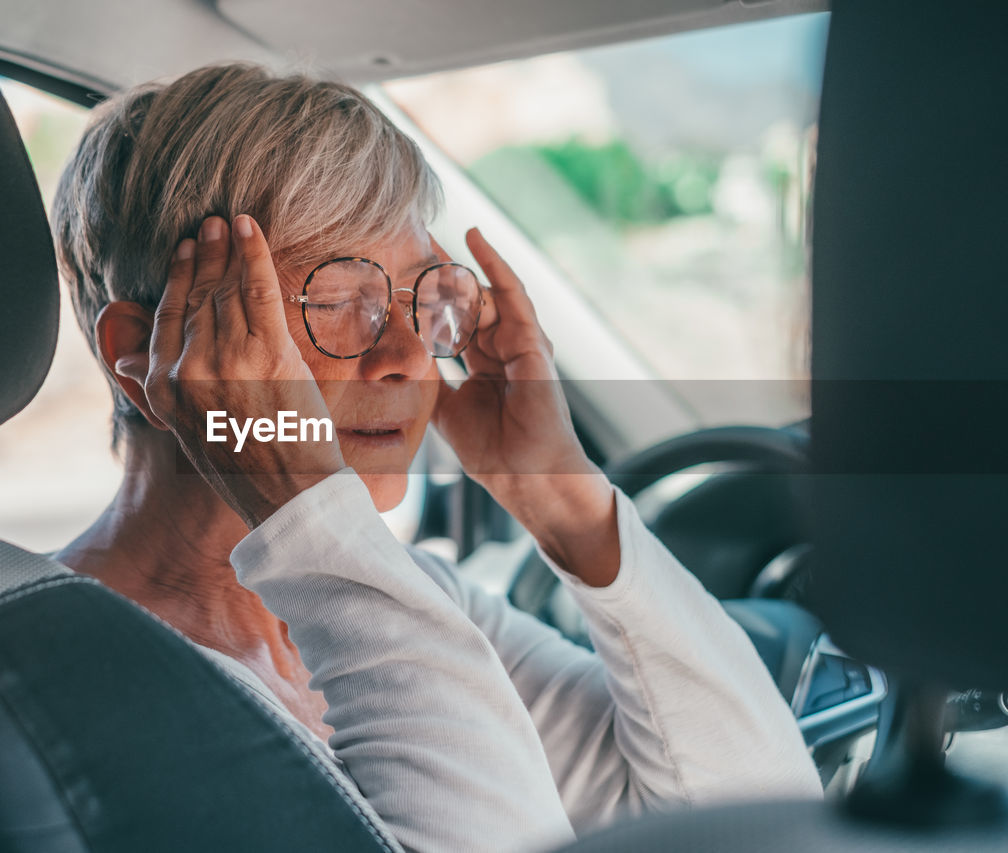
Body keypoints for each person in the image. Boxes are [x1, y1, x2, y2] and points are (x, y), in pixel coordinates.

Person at [50, 62, 821, 853]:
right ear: (142, 355)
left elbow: (765, 814)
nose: (409, 356)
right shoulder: (81, 677)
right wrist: (309, 521)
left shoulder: (411, 597)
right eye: (336, 302)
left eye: (422, 297)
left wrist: (559, 494)